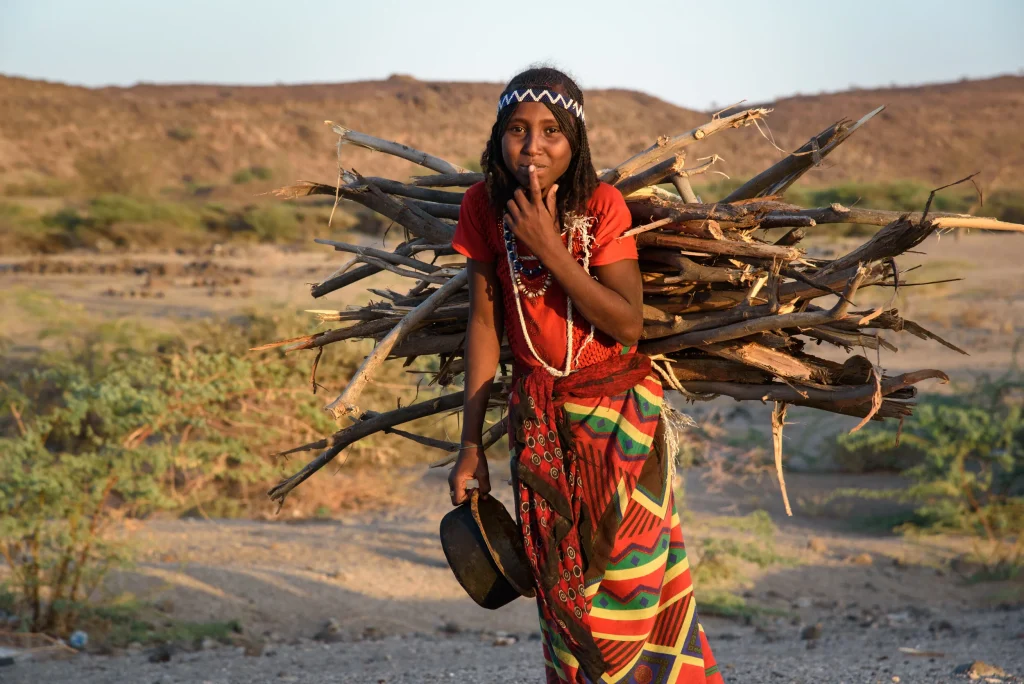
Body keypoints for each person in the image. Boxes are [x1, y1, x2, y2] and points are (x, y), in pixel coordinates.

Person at [448, 66, 725, 684]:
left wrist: (548, 246)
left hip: (620, 419)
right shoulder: (482, 208)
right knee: (560, 583)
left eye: (551, 130)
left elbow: (627, 324)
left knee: (629, 581)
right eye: (517, 129)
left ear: (575, 139)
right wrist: (471, 444)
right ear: (498, 138)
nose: (533, 145)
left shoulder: (599, 206)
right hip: (540, 427)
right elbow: (486, 327)